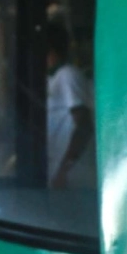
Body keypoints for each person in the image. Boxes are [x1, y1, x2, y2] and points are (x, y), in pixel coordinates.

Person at [45, 17, 96, 190]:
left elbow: (84, 125)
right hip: (57, 176)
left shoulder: (67, 75)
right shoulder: (50, 79)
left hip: (72, 178)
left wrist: (64, 169)